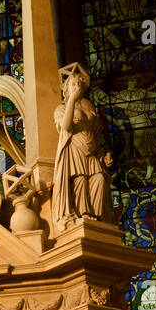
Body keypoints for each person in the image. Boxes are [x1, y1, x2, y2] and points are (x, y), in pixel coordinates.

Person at [52, 64, 114, 230]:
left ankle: (100, 219)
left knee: (100, 179)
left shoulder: (89, 106)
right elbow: (65, 128)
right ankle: (84, 215)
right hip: (74, 150)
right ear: (66, 89)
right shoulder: (62, 108)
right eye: (73, 84)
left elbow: (97, 133)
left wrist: (103, 155)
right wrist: (72, 98)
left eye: (80, 84)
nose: (77, 87)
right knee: (79, 180)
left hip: (92, 152)